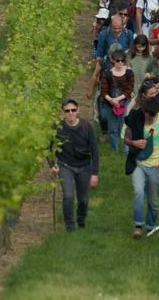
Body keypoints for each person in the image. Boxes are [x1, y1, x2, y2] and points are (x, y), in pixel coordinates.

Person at [124, 97, 159, 238]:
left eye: (154, 116)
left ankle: (151, 225)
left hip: (156, 166)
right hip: (138, 164)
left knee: (152, 200)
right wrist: (134, 143)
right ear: (144, 112)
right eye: (149, 116)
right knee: (138, 192)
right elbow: (126, 139)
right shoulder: (135, 119)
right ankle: (138, 225)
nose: (151, 119)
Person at [49, 98, 99, 232]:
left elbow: (95, 151)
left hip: (84, 166)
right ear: (63, 112)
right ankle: (70, 226)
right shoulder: (57, 127)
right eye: (67, 111)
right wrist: (52, 164)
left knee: (83, 199)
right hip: (65, 165)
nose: (70, 113)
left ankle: (81, 221)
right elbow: (47, 148)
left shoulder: (86, 127)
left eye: (73, 110)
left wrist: (94, 173)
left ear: (78, 111)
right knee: (68, 196)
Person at [100, 49, 135, 151]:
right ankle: (114, 148)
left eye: (122, 60)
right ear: (113, 60)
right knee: (112, 127)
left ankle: (126, 148)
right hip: (109, 103)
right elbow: (103, 91)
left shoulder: (129, 73)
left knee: (124, 126)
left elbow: (129, 89)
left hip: (125, 102)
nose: (120, 63)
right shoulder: (107, 73)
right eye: (118, 60)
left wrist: (117, 99)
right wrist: (111, 100)